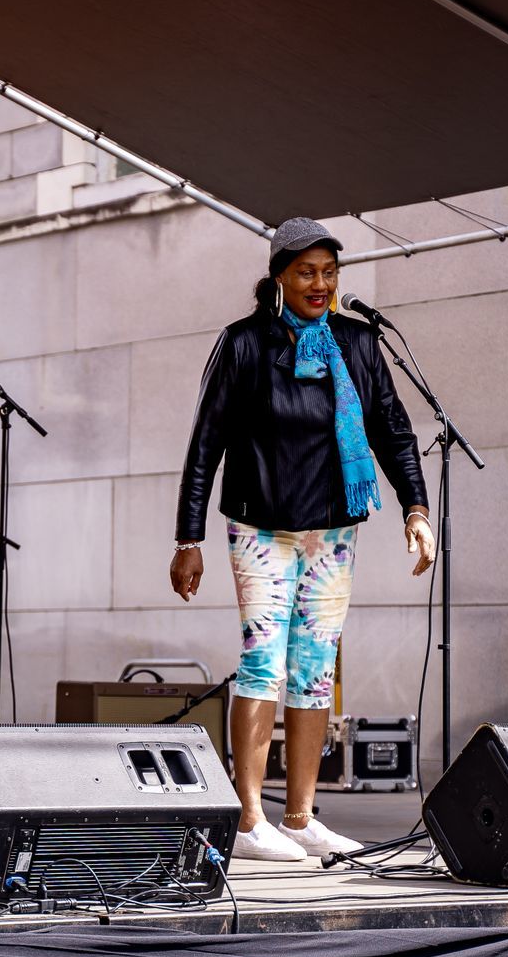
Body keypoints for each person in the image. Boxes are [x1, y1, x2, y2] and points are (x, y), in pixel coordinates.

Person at [172, 217, 434, 861]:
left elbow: (392, 428)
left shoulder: (358, 343)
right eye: (306, 272)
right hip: (261, 526)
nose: (320, 283)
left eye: (329, 272)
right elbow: (206, 442)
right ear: (279, 278)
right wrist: (188, 538)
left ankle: (299, 817)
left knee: (315, 671)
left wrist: (416, 507)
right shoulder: (245, 343)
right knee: (264, 663)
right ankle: (248, 822)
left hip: (332, 530)